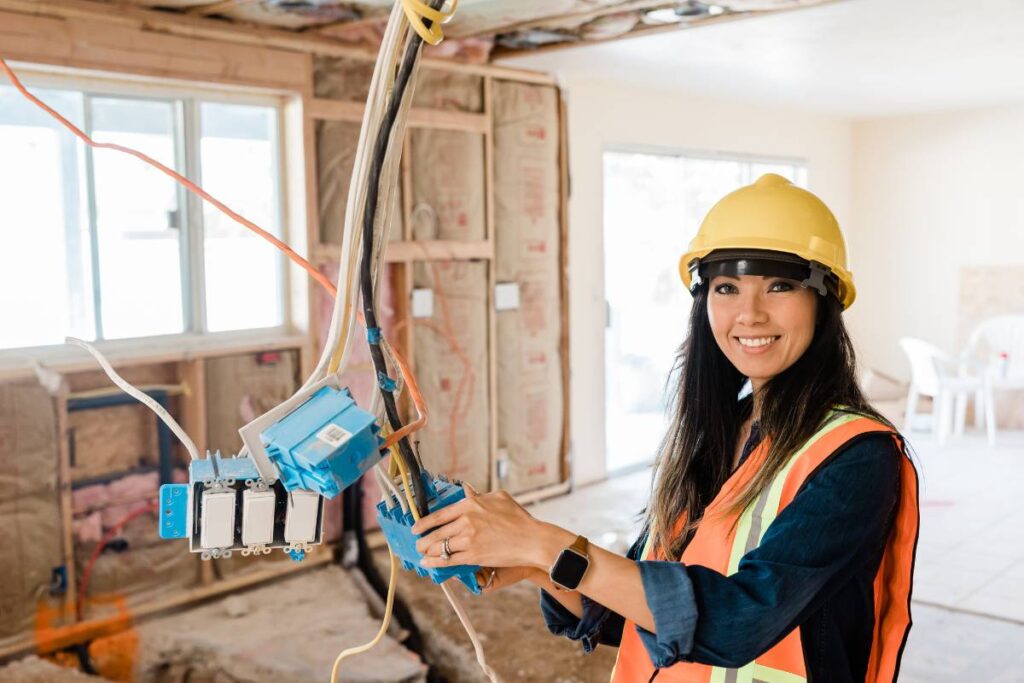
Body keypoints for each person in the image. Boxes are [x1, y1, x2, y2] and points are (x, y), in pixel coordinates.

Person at [412, 174, 919, 682]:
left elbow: (735, 621)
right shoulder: (723, 434)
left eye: (781, 286)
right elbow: (630, 607)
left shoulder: (856, 457)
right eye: (726, 287)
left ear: (825, 300)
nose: (750, 313)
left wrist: (544, 543)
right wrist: (537, 565)